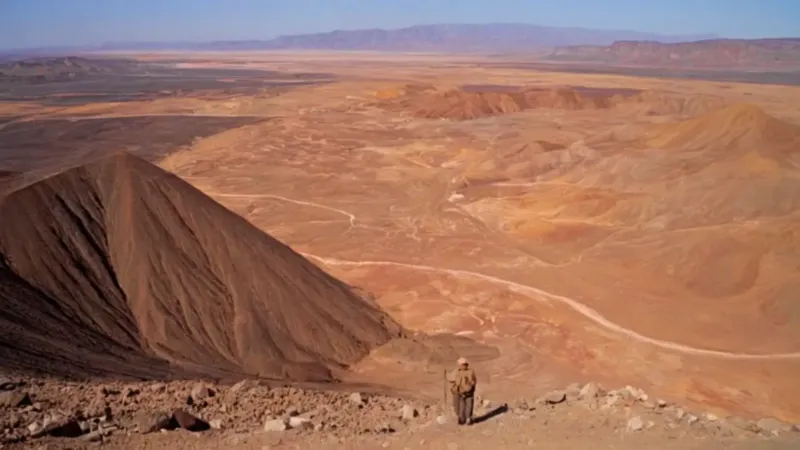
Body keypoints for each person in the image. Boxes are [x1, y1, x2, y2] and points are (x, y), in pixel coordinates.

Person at [447, 356, 477, 425]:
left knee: (464, 406)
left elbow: (454, 381)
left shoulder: (462, 372)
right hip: (466, 392)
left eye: (460, 365)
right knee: (465, 406)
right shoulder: (469, 371)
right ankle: (465, 419)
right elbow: (474, 381)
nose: (460, 366)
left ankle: (465, 419)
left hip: (464, 392)